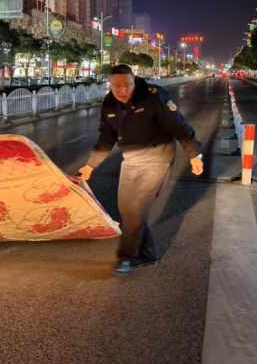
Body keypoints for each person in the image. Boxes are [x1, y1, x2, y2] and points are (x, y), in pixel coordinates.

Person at [79, 65, 203, 273]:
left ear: (134, 82)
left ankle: (126, 257)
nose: (122, 90)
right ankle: (148, 253)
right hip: (131, 160)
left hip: (158, 157)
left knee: (137, 209)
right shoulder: (110, 104)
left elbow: (179, 125)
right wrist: (90, 166)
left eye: (126, 85)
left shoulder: (153, 96)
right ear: (110, 84)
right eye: (117, 86)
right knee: (126, 210)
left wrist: (194, 154)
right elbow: (106, 138)